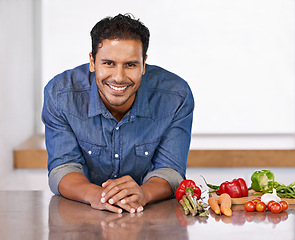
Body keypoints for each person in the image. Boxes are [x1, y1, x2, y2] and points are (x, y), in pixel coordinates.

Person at [42, 13, 194, 214]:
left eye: (131, 64)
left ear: (143, 63)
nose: (119, 77)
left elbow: (170, 170)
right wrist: (97, 195)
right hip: (83, 212)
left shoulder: (176, 95)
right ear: (92, 61)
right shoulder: (60, 94)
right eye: (108, 63)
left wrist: (144, 193)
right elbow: (63, 167)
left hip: (147, 214)